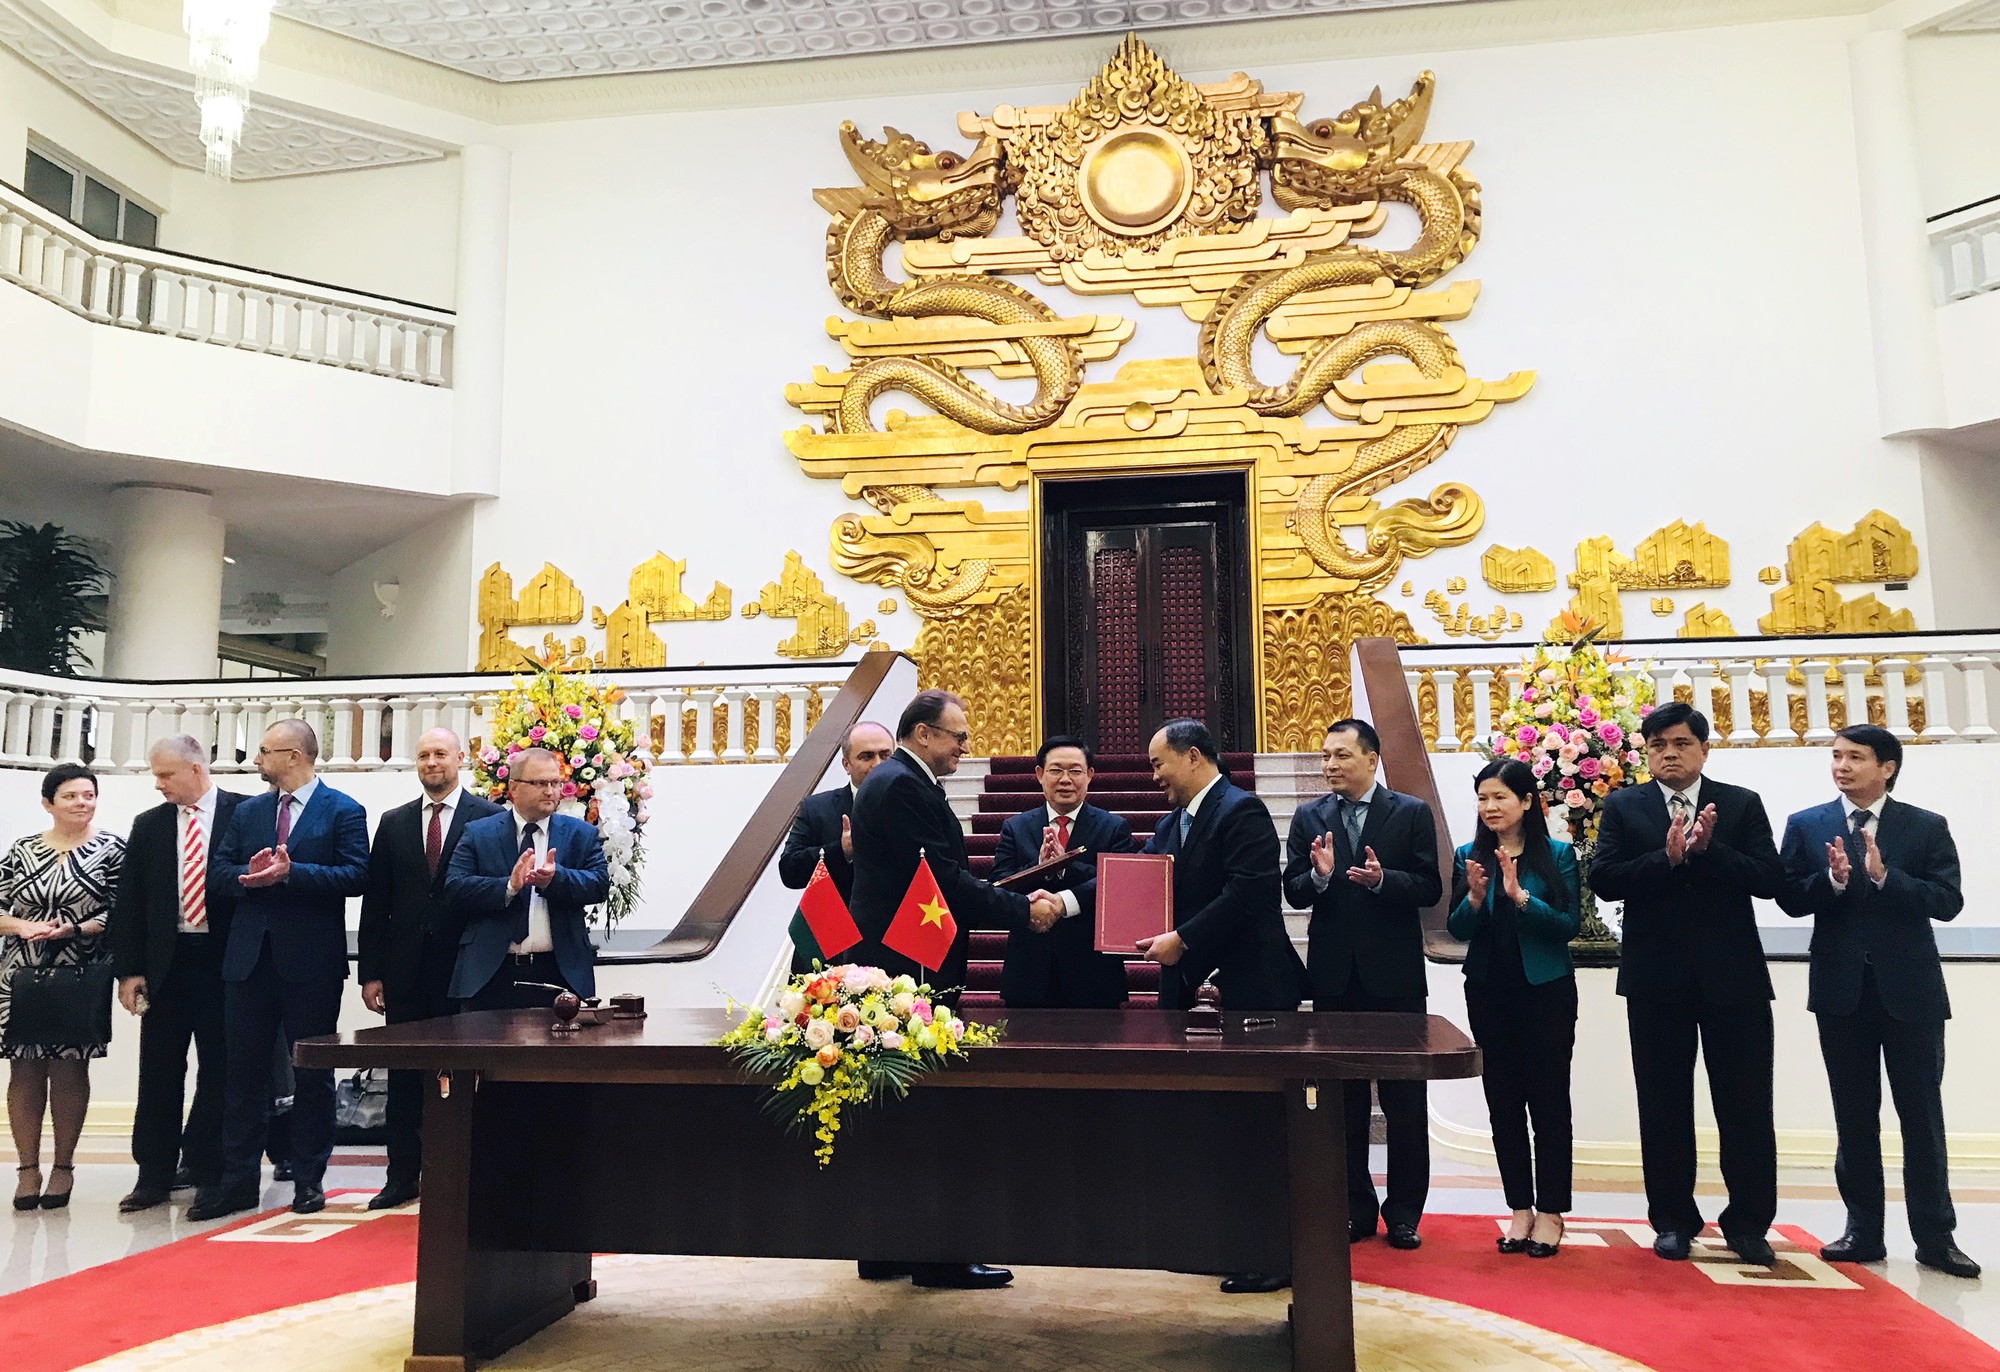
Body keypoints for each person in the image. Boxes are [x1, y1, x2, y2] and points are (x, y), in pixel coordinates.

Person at [848, 689, 1056, 1291]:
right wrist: (1021, 910)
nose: (965, 747)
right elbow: (939, 880)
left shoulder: (894, 781)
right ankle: (937, 1256)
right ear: (923, 734)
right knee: (924, 1114)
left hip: (896, 962)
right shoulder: (904, 785)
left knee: (894, 1108)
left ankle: (885, 1247)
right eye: (958, 736)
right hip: (908, 966)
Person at [1777, 724, 1979, 1278]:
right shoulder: (1807, 824)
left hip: (1910, 993)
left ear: (1887, 767)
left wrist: (1887, 876)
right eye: (1836, 756)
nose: (1841, 766)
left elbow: (1948, 900)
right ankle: (1862, 1230)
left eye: (1855, 757)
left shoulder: (1925, 825)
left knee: (1921, 1117)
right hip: (1840, 992)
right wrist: (1833, 882)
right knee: (1854, 1115)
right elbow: (1789, 897)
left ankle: (1936, 1238)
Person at [1590, 701, 1783, 1266]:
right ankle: (1673, 1220)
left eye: (1680, 743)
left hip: (1735, 980)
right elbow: (1604, 879)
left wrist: (1709, 851)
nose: (1668, 754)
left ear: (1704, 749)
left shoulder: (1741, 803)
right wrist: (1667, 858)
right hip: (1656, 980)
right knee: (1663, 1103)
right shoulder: (1624, 806)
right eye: (1657, 746)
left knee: (1746, 1104)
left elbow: (1770, 878)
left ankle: (1748, 1224)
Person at [1140, 718, 1304, 1295]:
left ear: (1192, 756)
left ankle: (1275, 1251)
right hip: (1190, 993)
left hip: (1251, 992)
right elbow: (1136, 882)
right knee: (1213, 1121)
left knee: (1260, 1124)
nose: (1154, 776)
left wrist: (1183, 940)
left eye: (1159, 763)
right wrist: (1065, 901)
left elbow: (1249, 891)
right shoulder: (1170, 824)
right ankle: (1229, 1240)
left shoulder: (1242, 810)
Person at [191, 720, 369, 1222]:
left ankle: (309, 1179)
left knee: (312, 1073)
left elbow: (357, 875)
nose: (256, 760)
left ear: (294, 755)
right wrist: (248, 876)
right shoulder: (248, 812)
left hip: (311, 964)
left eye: (265, 751)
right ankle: (237, 1181)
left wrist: (293, 873)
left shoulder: (344, 810)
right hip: (248, 961)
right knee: (241, 1074)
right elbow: (217, 872)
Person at [1282, 718, 1442, 1252]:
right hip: (1334, 978)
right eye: (1326, 756)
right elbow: (1294, 891)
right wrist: (1320, 877)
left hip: (1395, 978)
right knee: (1343, 1103)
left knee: (1404, 1101)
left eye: (1342, 756)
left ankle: (1405, 1214)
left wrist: (1382, 881)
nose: (1330, 765)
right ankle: (1355, 1208)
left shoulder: (1410, 812)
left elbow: (1429, 886)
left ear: (1372, 759)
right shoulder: (1309, 816)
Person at [357, 728, 503, 1210]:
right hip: (405, 973)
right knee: (404, 1076)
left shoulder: (491, 818)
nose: (432, 762)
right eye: (423, 755)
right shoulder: (394, 822)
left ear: (460, 758)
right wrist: (371, 972)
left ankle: (468, 1178)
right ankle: (401, 1177)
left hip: (466, 967)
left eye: (441, 753)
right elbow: (376, 903)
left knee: (465, 1075)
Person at [1444, 758, 1581, 1259]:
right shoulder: (1468, 856)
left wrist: (1521, 897)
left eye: (1499, 797)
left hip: (1546, 990)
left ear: (1526, 802)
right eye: (1482, 798)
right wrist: (1475, 899)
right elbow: (1457, 930)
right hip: (1489, 991)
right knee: (1502, 1101)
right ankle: (1519, 1208)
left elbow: (1568, 925)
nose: (1490, 807)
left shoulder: (1558, 855)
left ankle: (1551, 1211)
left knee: (1548, 1101)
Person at [109, 736, 246, 1213]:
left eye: (166, 775)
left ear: (195, 769)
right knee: (160, 1069)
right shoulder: (149, 825)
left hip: (224, 961)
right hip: (167, 962)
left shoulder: (244, 813)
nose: (159, 784)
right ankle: (153, 1174)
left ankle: (207, 1168)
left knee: (221, 1068)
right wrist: (129, 971)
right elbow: (130, 902)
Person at [1, 763, 122, 1212]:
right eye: (71, 796)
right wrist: (22, 926)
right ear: (48, 803)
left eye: (89, 795)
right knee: (24, 1068)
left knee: (70, 1067)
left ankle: (64, 1167)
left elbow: (122, 911)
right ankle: (27, 1169)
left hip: (82, 969)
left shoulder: (113, 849)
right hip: (21, 971)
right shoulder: (22, 849)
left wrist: (76, 929)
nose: (81, 803)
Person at [446, 746, 608, 1010]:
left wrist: (555, 879)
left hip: (559, 972)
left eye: (555, 783)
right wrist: (508, 886)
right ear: (514, 787)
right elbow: (454, 887)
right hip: (490, 975)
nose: (550, 791)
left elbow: (599, 885)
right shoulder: (479, 833)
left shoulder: (580, 834)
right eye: (539, 783)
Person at [992, 735, 1135, 1009]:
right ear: (1040, 774)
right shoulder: (1015, 827)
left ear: (1090, 775)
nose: (1065, 780)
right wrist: (1039, 867)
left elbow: (1119, 885)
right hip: (1028, 973)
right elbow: (998, 885)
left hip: (1093, 974)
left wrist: (1065, 865)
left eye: (1075, 771)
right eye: (1056, 770)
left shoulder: (1114, 828)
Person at [778, 721, 894, 970]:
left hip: (896, 944)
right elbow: (789, 870)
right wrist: (840, 851)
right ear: (846, 764)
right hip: (832, 947)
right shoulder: (817, 808)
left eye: (886, 755)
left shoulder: (917, 805)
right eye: (866, 756)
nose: (878, 764)